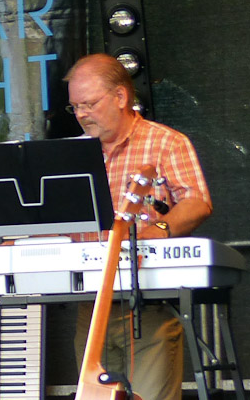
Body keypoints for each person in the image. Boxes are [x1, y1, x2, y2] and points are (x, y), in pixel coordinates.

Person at [66, 53, 213, 400]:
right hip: (89, 304)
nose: (81, 114)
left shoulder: (166, 142)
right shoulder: (72, 155)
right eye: (75, 107)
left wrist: (156, 231)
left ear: (120, 96)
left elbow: (197, 201)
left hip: (148, 303)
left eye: (89, 104)